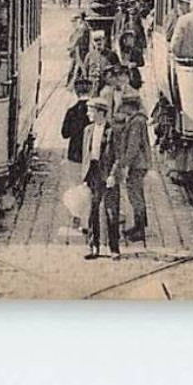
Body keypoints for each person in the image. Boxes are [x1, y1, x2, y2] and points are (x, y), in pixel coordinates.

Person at [81, 94, 120, 260]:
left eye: (91, 111)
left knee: (111, 212)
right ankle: (94, 246)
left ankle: (114, 248)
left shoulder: (113, 131)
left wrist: (113, 175)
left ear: (101, 112)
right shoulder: (88, 130)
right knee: (93, 211)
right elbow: (86, 154)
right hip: (94, 173)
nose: (88, 114)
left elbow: (119, 156)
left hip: (108, 174)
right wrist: (84, 177)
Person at [110, 89, 152, 242]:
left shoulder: (136, 122)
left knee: (135, 196)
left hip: (136, 164)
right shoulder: (138, 119)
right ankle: (139, 226)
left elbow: (133, 147)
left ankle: (139, 230)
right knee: (137, 194)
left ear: (130, 106)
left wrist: (125, 165)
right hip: (140, 163)